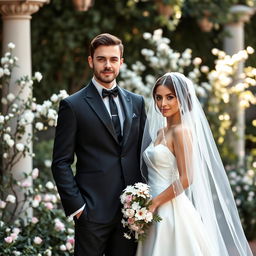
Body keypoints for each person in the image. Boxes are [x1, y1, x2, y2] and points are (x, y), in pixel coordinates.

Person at [136, 72, 253, 256]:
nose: (163, 104)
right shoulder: (161, 132)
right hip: (152, 209)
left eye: (170, 97)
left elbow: (187, 178)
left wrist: (154, 203)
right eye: (158, 98)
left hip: (169, 210)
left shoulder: (182, 132)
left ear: (182, 99)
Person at [51, 33, 146, 256]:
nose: (107, 65)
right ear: (90, 61)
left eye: (113, 59)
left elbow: (142, 153)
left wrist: (142, 203)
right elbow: (61, 162)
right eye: (101, 59)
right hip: (91, 213)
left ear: (121, 62)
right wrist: (78, 208)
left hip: (130, 214)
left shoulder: (137, 103)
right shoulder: (72, 106)